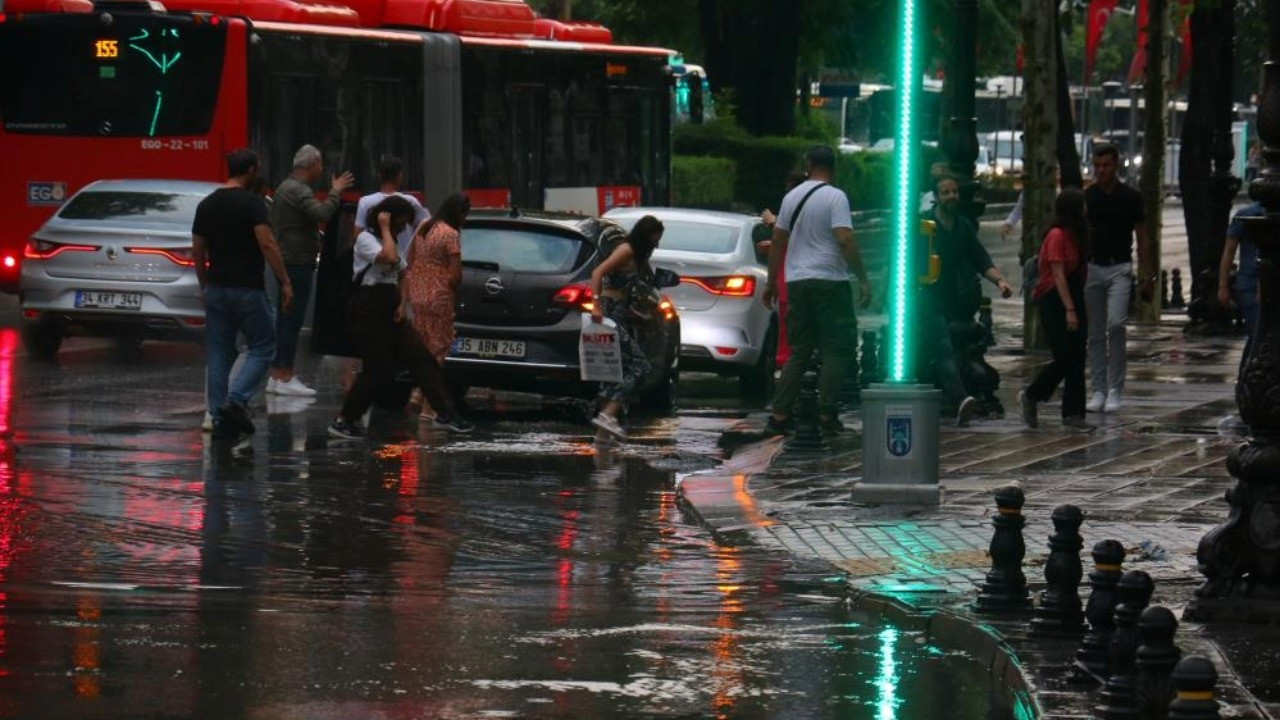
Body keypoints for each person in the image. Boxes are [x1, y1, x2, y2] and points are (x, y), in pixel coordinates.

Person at [329, 196, 474, 439]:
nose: (402, 228)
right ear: (386, 218)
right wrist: (385, 229)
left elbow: (403, 272)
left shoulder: (392, 239)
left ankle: (446, 413)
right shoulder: (365, 239)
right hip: (368, 308)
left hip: (390, 306)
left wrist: (402, 302)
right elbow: (390, 258)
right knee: (377, 369)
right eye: (399, 222)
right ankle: (345, 419)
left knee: (421, 357)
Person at [762, 145, 872, 436]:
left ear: (808, 164)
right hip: (829, 281)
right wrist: (862, 278)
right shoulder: (836, 197)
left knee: (799, 350)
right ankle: (826, 412)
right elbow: (845, 238)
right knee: (837, 349)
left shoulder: (791, 197)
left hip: (797, 282)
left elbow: (778, 241)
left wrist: (772, 283)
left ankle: (780, 413)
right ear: (833, 167)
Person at [192, 149, 293, 440]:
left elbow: (198, 249)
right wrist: (285, 281)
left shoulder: (207, 205)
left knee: (219, 352)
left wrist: (204, 285)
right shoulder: (253, 203)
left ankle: (217, 414)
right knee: (264, 346)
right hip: (248, 288)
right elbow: (267, 243)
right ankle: (236, 400)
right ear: (250, 170)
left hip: (217, 288)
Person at [919, 174, 1014, 426]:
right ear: (937, 197)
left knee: (950, 347)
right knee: (942, 348)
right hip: (928, 298)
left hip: (954, 299)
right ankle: (961, 399)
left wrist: (1000, 281)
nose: (952, 196)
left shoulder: (962, 227)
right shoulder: (924, 225)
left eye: (955, 192)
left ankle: (958, 396)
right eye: (946, 192)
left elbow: (980, 258)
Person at [268, 144, 355, 396]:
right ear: (311, 165)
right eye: (320, 164)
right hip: (297, 262)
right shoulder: (298, 190)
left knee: (285, 317)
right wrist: (336, 191)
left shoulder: (285, 187)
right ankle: (285, 375)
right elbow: (323, 212)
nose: (322, 169)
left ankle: (277, 373)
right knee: (292, 318)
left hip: (287, 260)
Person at [1020, 188, 1094, 431]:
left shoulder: (1077, 235)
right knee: (1063, 357)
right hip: (1054, 299)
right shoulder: (1057, 235)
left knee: (1077, 357)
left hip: (1074, 295)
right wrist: (1069, 309)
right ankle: (1032, 395)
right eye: (1082, 205)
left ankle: (1074, 413)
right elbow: (1058, 275)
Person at [1084, 144, 1150, 414]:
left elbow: (1143, 237)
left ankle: (1114, 389)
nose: (1101, 170)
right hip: (1092, 268)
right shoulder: (1088, 197)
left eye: (1106, 165)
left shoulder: (1131, 198)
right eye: (1097, 165)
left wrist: (1149, 275)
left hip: (1120, 267)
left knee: (1117, 325)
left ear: (1117, 165)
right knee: (1095, 331)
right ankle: (1098, 388)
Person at [588, 215, 665, 439]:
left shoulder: (638, 256)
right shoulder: (626, 250)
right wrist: (596, 305)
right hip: (609, 312)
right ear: (644, 235)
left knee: (615, 368)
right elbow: (597, 273)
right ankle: (608, 414)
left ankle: (603, 431)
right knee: (639, 366)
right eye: (654, 239)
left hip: (620, 311)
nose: (656, 245)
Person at [403, 193, 470, 419]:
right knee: (440, 347)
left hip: (418, 294)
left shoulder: (423, 225)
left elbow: (410, 259)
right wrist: (453, 287)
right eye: (465, 214)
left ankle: (419, 394)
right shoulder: (451, 235)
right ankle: (425, 401)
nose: (465, 219)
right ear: (457, 213)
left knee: (423, 346)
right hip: (439, 296)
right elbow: (455, 274)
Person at [758, 171, 807, 369]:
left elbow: (791, 235)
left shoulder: (796, 210)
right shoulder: (808, 209)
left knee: (789, 336)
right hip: (793, 281)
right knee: (791, 334)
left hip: (791, 282)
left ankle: (788, 373)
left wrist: (772, 221)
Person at [1218, 202, 1265, 375]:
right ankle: (1248, 376)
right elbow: (1229, 251)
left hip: (1258, 283)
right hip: (1250, 284)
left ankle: (1248, 376)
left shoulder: (1246, 215)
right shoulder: (1247, 216)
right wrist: (1223, 286)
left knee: (1258, 336)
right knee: (1257, 333)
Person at [354, 155, 431, 251]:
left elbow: (358, 234)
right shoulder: (410, 201)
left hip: (376, 257)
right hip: (404, 258)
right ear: (400, 177)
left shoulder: (365, 202)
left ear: (379, 176)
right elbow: (427, 229)